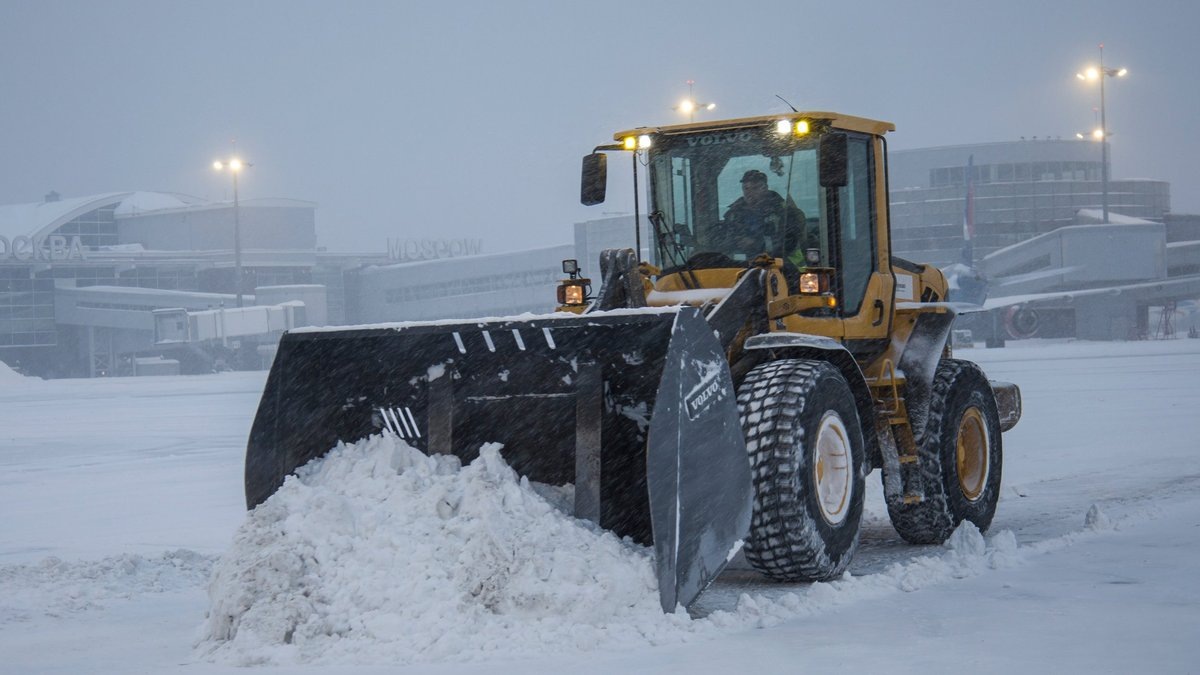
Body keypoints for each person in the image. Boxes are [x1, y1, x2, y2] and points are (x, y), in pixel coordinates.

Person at [719, 169, 811, 258]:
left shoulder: (784, 212)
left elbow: (788, 243)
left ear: (765, 188)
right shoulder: (733, 214)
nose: (749, 192)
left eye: (755, 188)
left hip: (782, 268)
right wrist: (732, 243)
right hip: (738, 268)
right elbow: (722, 244)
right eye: (746, 188)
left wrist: (756, 244)